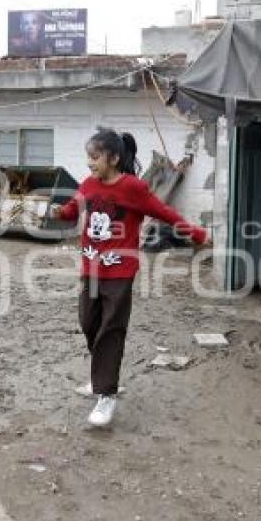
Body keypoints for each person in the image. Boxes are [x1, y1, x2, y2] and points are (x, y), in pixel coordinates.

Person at [52, 128, 209, 427]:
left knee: (111, 328)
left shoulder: (132, 188)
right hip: (91, 269)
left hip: (120, 271)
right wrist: (59, 211)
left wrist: (198, 234)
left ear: (112, 158)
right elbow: (73, 210)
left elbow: (164, 213)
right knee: (88, 322)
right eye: (88, 157)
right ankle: (101, 377)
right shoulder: (88, 184)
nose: (90, 163)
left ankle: (106, 394)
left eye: (95, 157)